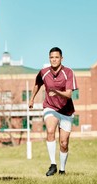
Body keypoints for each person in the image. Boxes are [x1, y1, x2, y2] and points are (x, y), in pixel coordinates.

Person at [29, 47, 78, 176]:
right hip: (50, 107)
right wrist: (32, 99)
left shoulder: (68, 72)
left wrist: (55, 92)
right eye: (51, 57)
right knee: (50, 131)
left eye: (56, 57)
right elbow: (37, 84)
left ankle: (62, 169)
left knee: (64, 143)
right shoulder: (44, 72)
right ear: (49, 58)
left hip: (66, 111)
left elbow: (68, 94)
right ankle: (53, 165)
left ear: (61, 58)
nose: (54, 60)